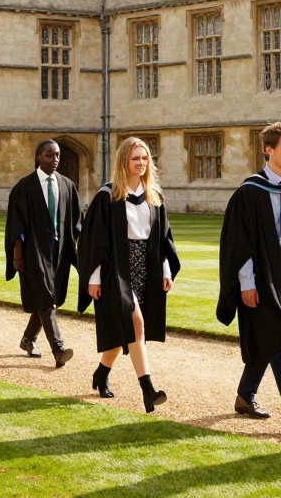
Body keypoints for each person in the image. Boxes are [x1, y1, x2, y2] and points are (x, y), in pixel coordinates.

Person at [216, 122, 281, 435]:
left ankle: (245, 397)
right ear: (268, 150)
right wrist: (246, 283)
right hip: (264, 274)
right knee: (278, 336)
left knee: (270, 338)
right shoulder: (250, 192)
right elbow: (240, 244)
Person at [77, 136, 179, 413]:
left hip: (146, 265)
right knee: (137, 324)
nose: (142, 163)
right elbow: (94, 240)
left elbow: (163, 238)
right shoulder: (107, 197)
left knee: (130, 330)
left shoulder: (153, 197)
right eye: (136, 158)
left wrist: (166, 269)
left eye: (145, 158)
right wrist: (94, 278)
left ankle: (101, 374)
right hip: (115, 269)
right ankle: (148, 389)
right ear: (124, 161)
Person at [4, 139, 81, 367]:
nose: (54, 159)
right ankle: (58, 349)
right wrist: (17, 256)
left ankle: (28, 339)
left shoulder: (67, 185)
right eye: (49, 155)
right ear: (38, 157)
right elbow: (16, 225)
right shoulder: (24, 187)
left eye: (57, 155)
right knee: (46, 296)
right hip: (33, 250)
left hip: (59, 250)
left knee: (49, 296)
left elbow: (77, 220)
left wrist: (76, 244)